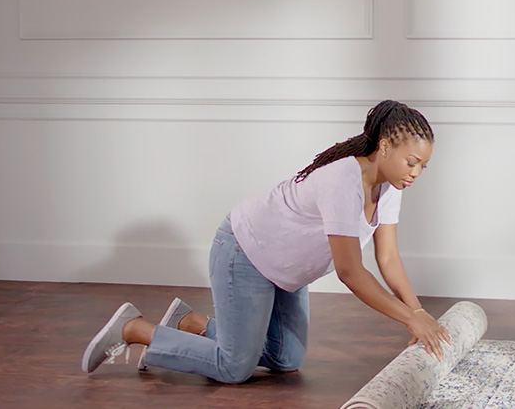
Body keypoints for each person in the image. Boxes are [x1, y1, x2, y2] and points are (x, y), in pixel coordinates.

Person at [81, 100, 450, 383]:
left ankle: (191, 324)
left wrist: (418, 314)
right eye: (412, 162)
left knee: (286, 358)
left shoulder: (391, 186)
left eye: (423, 166)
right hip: (245, 253)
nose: (416, 173)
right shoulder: (343, 181)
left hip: (285, 273)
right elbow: (350, 272)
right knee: (234, 367)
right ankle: (135, 329)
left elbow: (387, 258)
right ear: (385, 146)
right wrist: (409, 321)